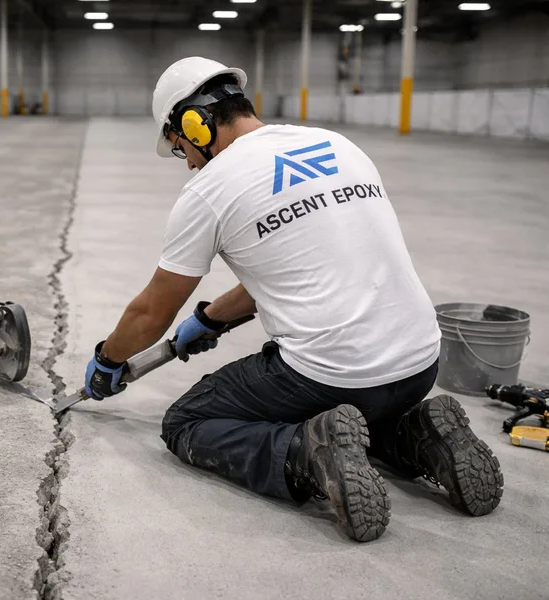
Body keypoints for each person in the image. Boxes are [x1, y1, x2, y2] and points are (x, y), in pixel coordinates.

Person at [81, 57, 504, 543]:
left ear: (193, 124)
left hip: (331, 374)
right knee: (359, 407)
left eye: (182, 149)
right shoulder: (337, 145)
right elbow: (295, 267)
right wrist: (211, 321)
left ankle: (306, 451)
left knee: (187, 420)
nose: (190, 162)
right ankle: (414, 433)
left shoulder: (210, 189)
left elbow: (152, 312)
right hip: (420, 363)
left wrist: (109, 358)